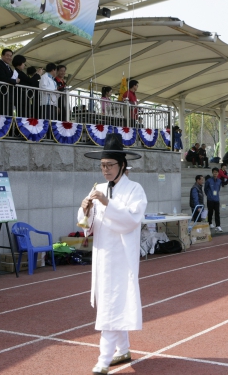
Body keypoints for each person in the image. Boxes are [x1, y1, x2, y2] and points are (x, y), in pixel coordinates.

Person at [76, 133, 147, 375]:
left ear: (122, 166)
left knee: (113, 304)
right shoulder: (98, 188)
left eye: (109, 165)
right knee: (113, 302)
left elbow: (131, 219)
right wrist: (86, 211)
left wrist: (107, 203)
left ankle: (103, 359)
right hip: (103, 254)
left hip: (122, 257)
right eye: (102, 166)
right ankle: (123, 349)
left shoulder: (135, 190)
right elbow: (86, 224)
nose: (105, 170)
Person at [0, 48, 19, 115]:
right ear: (2, 56)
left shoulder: (8, 67)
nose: (9, 57)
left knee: (9, 114)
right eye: (7, 55)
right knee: (3, 114)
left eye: (10, 56)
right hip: (2, 93)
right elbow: (2, 78)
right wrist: (15, 81)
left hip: (9, 94)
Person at [204, 168, 223, 232]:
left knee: (217, 212)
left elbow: (218, 189)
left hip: (216, 199)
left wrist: (215, 195)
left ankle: (218, 225)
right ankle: (210, 223)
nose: (215, 173)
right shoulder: (208, 181)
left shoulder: (219, 181)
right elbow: (205, 189)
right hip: (210, 199)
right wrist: (209, 195)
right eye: (214, 172)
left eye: (216, 172)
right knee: (210, 212)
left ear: (218, 173)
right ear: (212, 173)